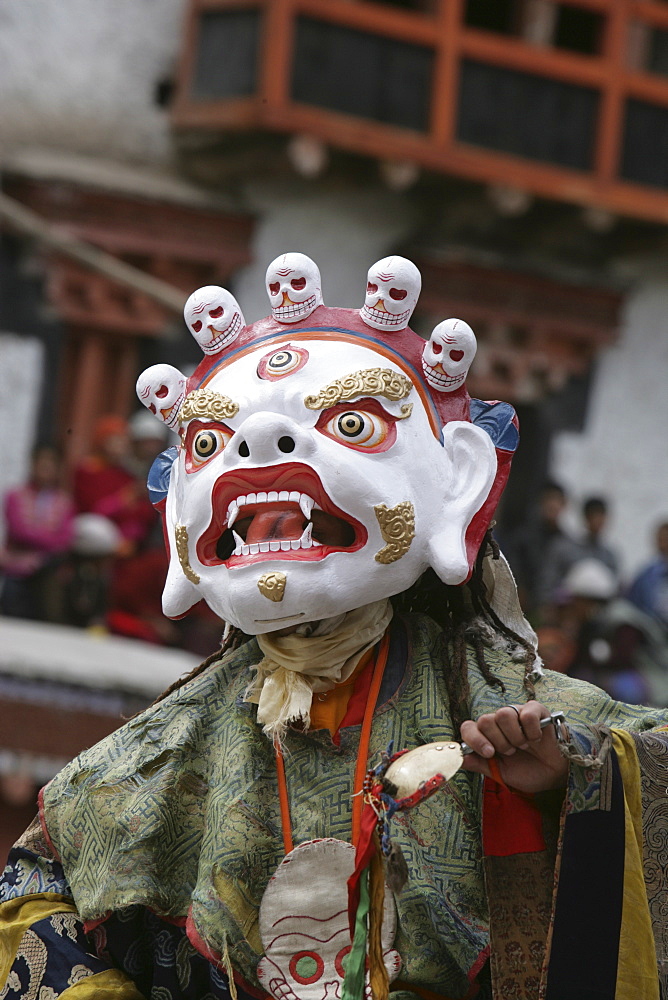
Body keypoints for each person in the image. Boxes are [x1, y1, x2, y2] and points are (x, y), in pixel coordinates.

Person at [2, 256, 668, 1000]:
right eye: (207, 443)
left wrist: (569, 786)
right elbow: (31, 897)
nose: (254, 448)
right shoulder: (139, 765)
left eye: (352, 423)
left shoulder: (527, 722)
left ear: (460, 479)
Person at [0, 443, 74, 620]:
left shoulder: (64, 502)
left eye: (51, 462)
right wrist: (49, 539)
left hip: (46, 577)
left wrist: (38, 538)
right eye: (42, 461)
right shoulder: (15, 496)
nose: (46, 466)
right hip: (16, 571)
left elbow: (64, 540)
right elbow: (19, 531)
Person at [627, 520, 668, 633]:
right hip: (652, 631)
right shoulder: (646, 574)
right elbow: (633, 602)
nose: (662, 542)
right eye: (660, 538)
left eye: (665, 538)